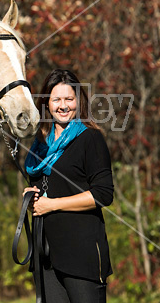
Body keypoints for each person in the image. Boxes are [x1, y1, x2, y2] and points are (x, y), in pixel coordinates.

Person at [24, 69, 114, 302]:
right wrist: (31, 195)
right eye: (56, 100)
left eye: (69, 99)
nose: (63, 106)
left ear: (78, 101)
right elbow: (45, 187)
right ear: (47, 103)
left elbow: (103, 194)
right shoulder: (40, 144)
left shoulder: (90, 139)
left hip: (81, 255)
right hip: (47, 257)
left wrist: (52, 205)